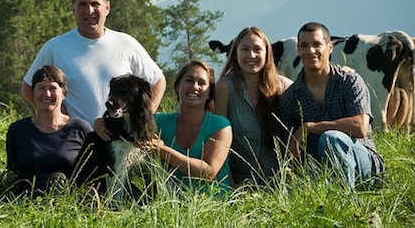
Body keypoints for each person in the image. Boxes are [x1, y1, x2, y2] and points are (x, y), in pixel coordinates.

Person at [21, 0, 166, 136]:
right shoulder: (55, 47)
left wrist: (143, 116)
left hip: (119, 143)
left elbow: (158, 81)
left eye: (95, 4)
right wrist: (55, 112)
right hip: (73, 141)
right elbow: (28, 87)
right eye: (82, 4)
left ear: (107, 8)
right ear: (73, 9)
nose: (89, 11)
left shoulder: (126, 43)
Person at [280, 22, 385, 189]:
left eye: (317, 44)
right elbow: (290, 150)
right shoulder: (290, 97)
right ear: (298, 50)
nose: (310, 51)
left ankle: (347, 204)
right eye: (304, 46)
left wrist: (309, 127)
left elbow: (360, 127)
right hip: (320, 173)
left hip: (363, 166)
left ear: (329, 47)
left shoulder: (350, 81)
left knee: (331, 139)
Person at [214, 27, 293, 187]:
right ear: (235, 54)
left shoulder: (283, 85)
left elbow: (312, 92)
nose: (251, 55)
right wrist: (230, 186)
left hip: (284, 182)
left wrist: (343, 73)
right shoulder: (225, 87)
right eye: (245, 49)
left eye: (257, 49)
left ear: (267, 54)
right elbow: (218, 142)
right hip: (243, 183)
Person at [144, 60, 232, 192]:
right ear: (177, 87)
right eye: (189, 80)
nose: (195, 86)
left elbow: (208, 173)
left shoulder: (220, 126)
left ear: (209, 93)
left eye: (201, 83)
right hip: (169, 206)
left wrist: (163, 151)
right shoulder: (157, 122)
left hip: (213, 206)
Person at [6, 65, 92, 195]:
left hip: (68, 206)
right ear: (33, 93)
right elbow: (12, 174)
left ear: (63, 93)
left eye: (53, 88)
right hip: (25, 205)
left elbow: (92, 174)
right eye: (41, 88)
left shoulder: (80, 129)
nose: (47, 94)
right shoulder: (18, 130)